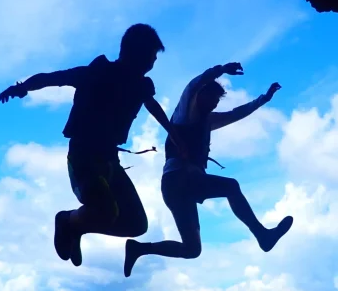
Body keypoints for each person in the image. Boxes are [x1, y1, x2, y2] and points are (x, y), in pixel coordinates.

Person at [0, 24, 184, 267]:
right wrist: (22, 87)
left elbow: (152, 105)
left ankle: (76, 227)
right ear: (136, 53)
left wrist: (172, 131)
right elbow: (53, 78)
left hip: (110, 159)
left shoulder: (141, 86)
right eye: (151, 56)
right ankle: (66, 220)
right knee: (106, 209)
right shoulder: (96, 73)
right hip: (83, 156)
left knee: (137, 224)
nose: (153, 62)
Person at [124, 63, 293, 277]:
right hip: (179, 179)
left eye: (216, 102)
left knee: (192, 249)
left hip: (177, 189)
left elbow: (237, 113)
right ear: (201, 95)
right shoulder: (185, 113)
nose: (214, 105)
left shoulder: (208, 120)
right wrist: (221, 70)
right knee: (231, 186)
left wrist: (264, 99)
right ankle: (262, 235)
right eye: (212, 99)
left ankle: (139, 248)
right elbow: (193, 85)